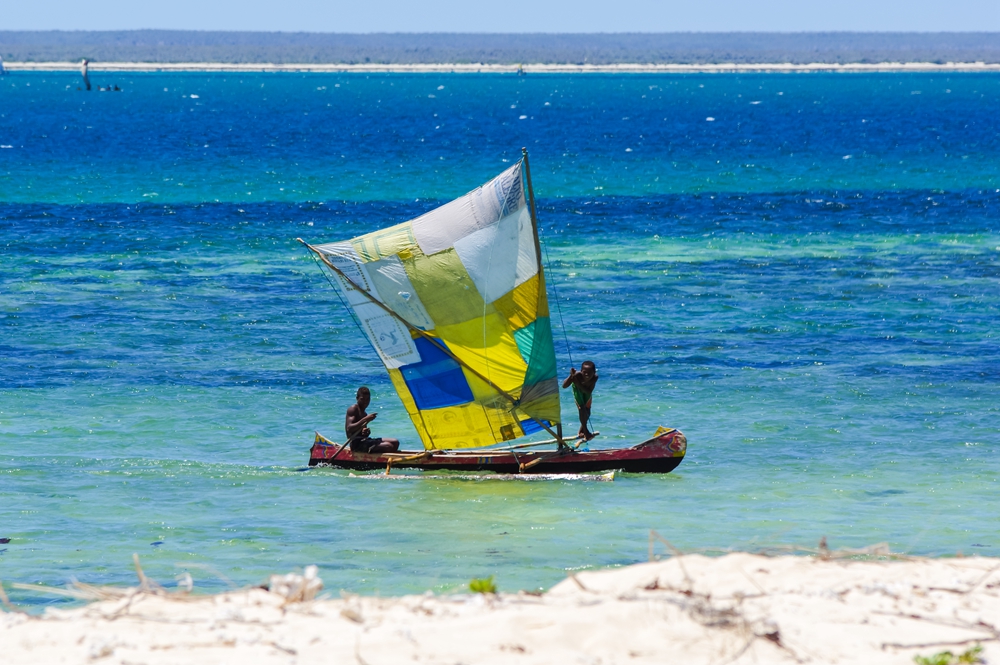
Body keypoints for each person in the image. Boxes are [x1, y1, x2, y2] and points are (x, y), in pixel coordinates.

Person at [345, 386, 399, 454]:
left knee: (395, 442)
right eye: (362, 399)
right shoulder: (353, 409)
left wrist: (366, 432)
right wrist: (366, 419)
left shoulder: (364, 413)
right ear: (357, 398)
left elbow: (362, 433)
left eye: (367, 399)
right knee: (389, 446)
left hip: (365, 441)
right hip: (356, 444)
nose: (365, 402)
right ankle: (372, 454)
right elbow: (349, 428)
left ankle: (375, 452)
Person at [562, 361, 599, 441]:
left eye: (589, 373)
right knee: (581, 408)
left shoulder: (595, 378)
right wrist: (571, 376)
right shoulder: (577, 376)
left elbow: (589, 391)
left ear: (594, 372)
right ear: (581, 371)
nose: (586, 375)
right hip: (577, 391)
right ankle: (585, 432)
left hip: (586, 391)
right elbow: (564, 386)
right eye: (584, 372)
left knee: (588, 412)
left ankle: (581, 431)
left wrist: (578, 384)